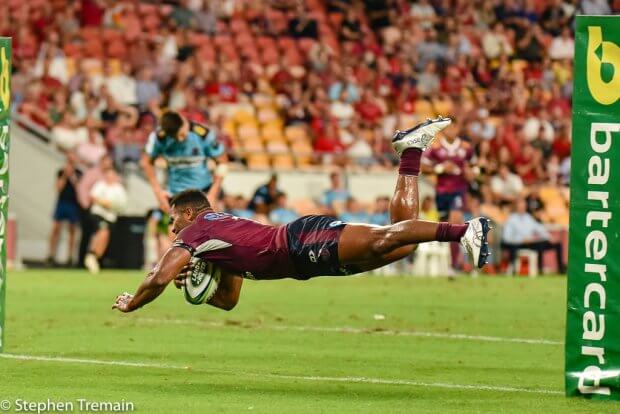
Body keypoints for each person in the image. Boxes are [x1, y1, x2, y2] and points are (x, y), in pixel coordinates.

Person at [113, 117, 492, 313]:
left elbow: (157, 277)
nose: (172, 225)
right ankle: (411, 151)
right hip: (303, 260)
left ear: (190, 213)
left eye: (174, 217)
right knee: (399, 244)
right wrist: (200, 291)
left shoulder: (196, 231)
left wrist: (134, 301)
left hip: (300, 240)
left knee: (385, 239)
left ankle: (466, 230)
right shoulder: (217, 238)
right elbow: (229, 300)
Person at [141, 110, 228, 214]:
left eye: (182, 135)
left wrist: (213, 194)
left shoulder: (202, 134)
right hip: (175, 194)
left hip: (203, 191)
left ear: (184, 123)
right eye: (175, 137)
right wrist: (158, 192)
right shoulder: (159, 138)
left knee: (209, 228)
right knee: (175, 229)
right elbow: (146, 162)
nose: (180, 140)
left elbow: (222, 162)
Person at [500, 198, 566, 274]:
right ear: (516, 207)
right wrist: (521, 240)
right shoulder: (511, 219)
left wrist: (549, 238)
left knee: (554, 244)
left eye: (523, 206)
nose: (522, 208)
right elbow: (506, 237)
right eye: (520, 206)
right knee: (516, 248)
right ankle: (515, 270)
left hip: (530, 243)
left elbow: (539, 229)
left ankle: (560, 270)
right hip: (517, 244)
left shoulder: (528, 217)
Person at [84, 166, 128, 274]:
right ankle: (92, 255)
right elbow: (93, 197)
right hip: (98, 214)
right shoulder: (100, 185)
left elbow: (121, 205)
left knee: (105, 235)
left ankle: (94, 257)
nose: (110, 177)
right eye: (108, 174)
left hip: (111, 217)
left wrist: (111, 205)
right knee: (103, 231)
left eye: (112, 174)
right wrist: (103, 203)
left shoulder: (119, 189)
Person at [47, 152, 82, 267]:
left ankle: (70, 257)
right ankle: (51, 255)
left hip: (73, 204)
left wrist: (72, 177)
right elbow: (58, 188)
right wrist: (65, 176)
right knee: (56, 229)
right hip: (62, 202)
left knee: (72, 230)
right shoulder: (61, 172)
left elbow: (79, 191)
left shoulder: (78, 173)